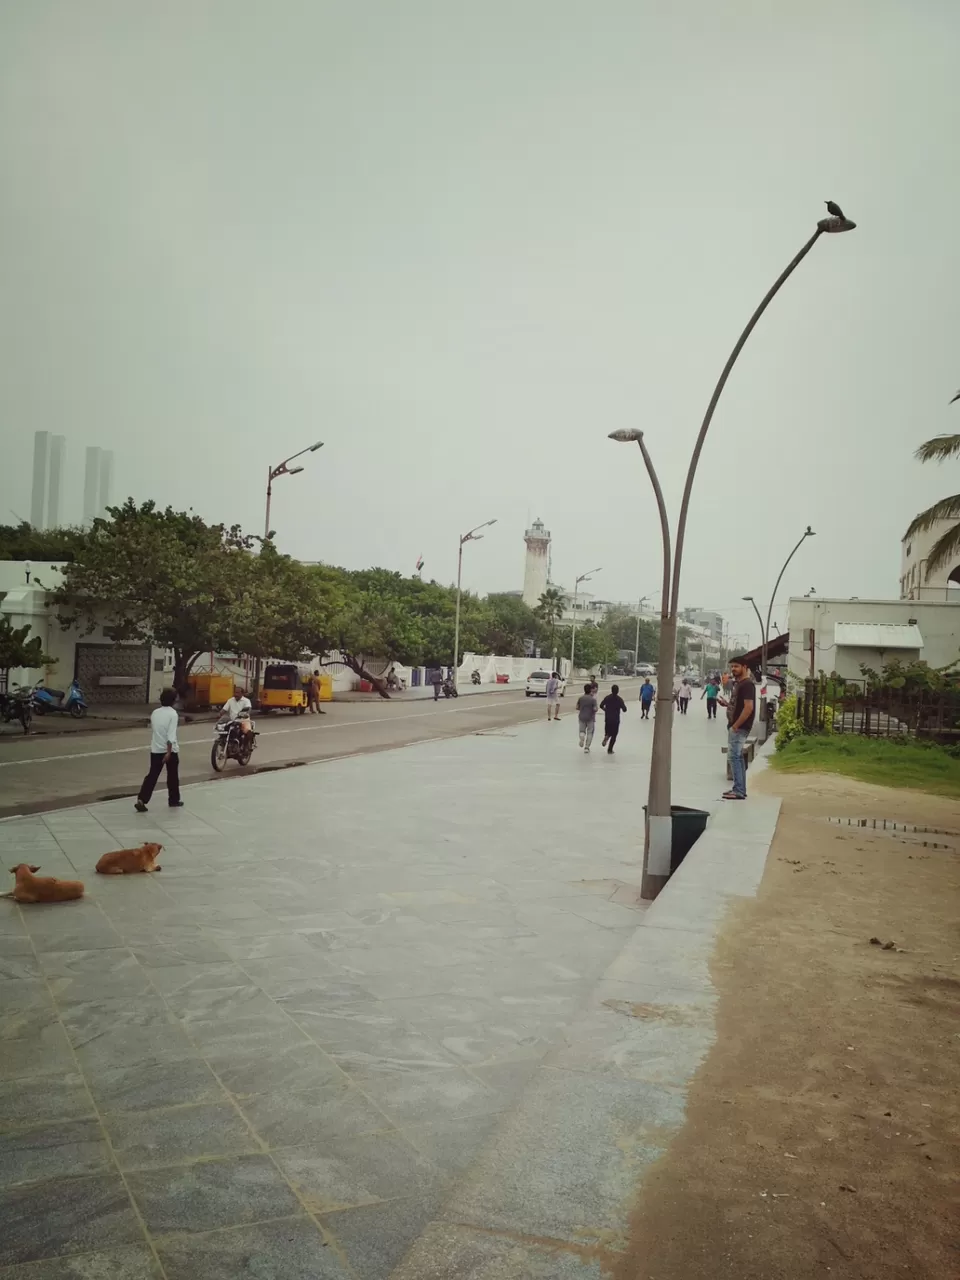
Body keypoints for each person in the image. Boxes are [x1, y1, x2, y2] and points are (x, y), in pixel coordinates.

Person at [135, 688, 183, 813]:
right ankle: (173, 800)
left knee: (152, 775)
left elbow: (157, 731)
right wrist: (168, 752)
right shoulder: (173, 714)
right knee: (172, 776)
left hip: (155, 749)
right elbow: (170, 735)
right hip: (170, 750)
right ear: (173, 700)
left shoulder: (155, 712)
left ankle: (142, 799)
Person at [721, 657, 756, 800]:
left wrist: (736, 725)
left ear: (744, 667)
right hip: (736, 726)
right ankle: (738, 788)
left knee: (734, 757)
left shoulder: (747, 685)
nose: (733, 669)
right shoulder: (740, 684)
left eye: (736, 666)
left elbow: (748, 708)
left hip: (739, 727)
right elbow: (740, 705)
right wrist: (727, 705)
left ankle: (739, 791)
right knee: (737, 757)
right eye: (732, 667)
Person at [600, 684, 627, 754]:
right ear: (618, 691)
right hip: (615, 719)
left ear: (611, 690)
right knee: (614, 735)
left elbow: (601, 705)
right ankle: (610, 749)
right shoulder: (619, 699)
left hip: (608, 718)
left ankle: (607, 736)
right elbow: (624, 709)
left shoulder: (607, 698)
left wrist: (605, 709)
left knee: (608, 731)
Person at [575, 682, 598, 752]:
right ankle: (587, 747)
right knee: (590, 732)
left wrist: (582, 708)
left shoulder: (581, 698)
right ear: (590, 690)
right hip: (590, 718)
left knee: (582, 731)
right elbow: (595, 709)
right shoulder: (593, 699)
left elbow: (577, 707)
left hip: (582, 717)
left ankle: (582, 737)